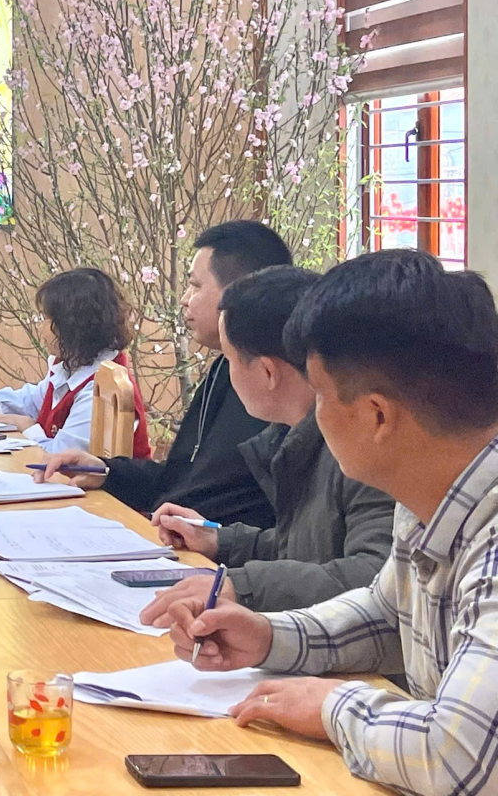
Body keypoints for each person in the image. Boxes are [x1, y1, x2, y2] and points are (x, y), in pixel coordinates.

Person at [157, 251, 498, 796]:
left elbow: (458, 756)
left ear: (376, 415)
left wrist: (333, 705)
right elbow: (386, 614)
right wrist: (268, 636)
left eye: (320, 394)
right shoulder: (427, 495)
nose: (313, 414)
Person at [139, 266, 393, 616]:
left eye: (229, 359)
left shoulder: (361, 442)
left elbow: (375, 578)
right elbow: (308, 549)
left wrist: (241, 586)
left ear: (268, 371)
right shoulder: (295, 437)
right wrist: (220, 541)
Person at [38, 220, 289, 527]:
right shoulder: (225, 366)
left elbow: (225, 506)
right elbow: (179, 477)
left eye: (195, 286)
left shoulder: (273, 387)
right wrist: (106, 471)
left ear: (240, 293)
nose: (184, 299)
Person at [0, 267, 150, 457]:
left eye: (45, 319)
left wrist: (28, 427)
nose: (41, 328)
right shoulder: (74, 365)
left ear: (72, 326)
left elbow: (63, 459)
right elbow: (32, 400)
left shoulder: (100, 388)